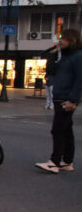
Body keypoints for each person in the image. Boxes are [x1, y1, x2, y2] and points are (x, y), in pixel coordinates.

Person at [36, 28, 82, 174]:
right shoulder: (64, 56)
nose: (59, 41)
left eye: (63, 39)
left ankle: (54, 162)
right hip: (59, 95)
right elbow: (52, 70)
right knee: (66, 129)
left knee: (57, 129)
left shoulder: (78, 56)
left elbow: (79, 80)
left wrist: (73, 100)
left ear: (72, 40)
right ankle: (67, 161)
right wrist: (52, 55)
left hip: (66, 98)